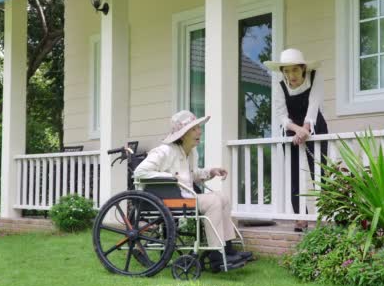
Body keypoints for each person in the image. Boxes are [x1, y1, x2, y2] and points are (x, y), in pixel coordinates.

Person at [133, 110, 252, 269]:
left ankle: (227, 249)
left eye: (198, 128)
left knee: (223, 196)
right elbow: (140, 172)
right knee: (213, 201)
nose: (199, 131)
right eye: (194, 129)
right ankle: (217, 256)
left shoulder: (190, 152)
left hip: (185, 197)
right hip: (168, 199)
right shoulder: (164, 151)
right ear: (183, 135)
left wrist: (211, 172)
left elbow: (192, 174)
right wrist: (169, 177)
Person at [264, 48, 328, 231]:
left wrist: (305, 129)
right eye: (287, 70)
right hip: (291, 128)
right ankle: (301, 216)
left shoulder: (315, 77)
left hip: (315, 125)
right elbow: (282, 116)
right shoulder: (279, 83)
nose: (291, 75)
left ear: (303, 68)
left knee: (321, 172)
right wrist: (297, 130)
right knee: (294, 174)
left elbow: (313, 107)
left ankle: (327, 214)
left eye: (295, 70)